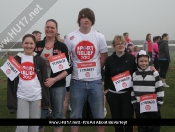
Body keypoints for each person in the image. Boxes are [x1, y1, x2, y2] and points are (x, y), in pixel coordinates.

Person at [65, 8, 108, 132]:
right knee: (75, 115)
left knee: (99, 115)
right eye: (83, 17)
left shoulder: (99, 36)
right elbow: (66, 58)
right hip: (77, 82)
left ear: (92, 20)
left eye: (89, 17)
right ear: (79, 19)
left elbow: (104, 57)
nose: (86, 19)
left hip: (96, 82)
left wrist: (95, 70)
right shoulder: (70, 37)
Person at [7, 34, 50, 132]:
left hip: (37, 97)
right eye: (26, 43)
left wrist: (46, 101)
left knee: (34, 128)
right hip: (22, 96)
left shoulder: (40, 60)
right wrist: (11, 103)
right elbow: (10, 84)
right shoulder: (15, 60)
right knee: (22, 127)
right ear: (22, 44)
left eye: (31, 43)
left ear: (35, 45)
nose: (29, 46)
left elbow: (44, 80)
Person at [35, 19, 72, 132]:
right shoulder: (37, 45)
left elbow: (68, 69)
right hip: (39, 87)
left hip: (57, 85)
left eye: (52, 27)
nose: (49, 29)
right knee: (39, 115)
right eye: (47, 27)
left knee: (57, 115)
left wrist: (54, 80)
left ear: (56, 30)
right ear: (44, 28)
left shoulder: (62, 46)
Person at [104, 35, 137, 132]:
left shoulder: (131, 58)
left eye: (122, 43)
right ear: (114, 46)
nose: (120, 46)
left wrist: (151, 69)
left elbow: (136, 73)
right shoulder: (109, 60)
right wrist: (106, 89)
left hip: (127, 94)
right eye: (118, 44)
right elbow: (106, 75)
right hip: (113, 95)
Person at [131, 50, 164, 132]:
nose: (143, 63)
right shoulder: (134, 75)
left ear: (149, 61)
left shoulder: (154, 73)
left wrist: (159, 104)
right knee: (142, 128)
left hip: (153, 106)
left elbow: (160, 89)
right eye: (141, 61)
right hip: (139, 107)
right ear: (137, 62)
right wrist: (134, 104)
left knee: (154, 128)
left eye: (145, 61)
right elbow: (132, 91)